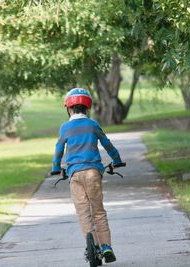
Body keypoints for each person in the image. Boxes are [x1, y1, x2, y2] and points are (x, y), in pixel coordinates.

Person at [51, 88, 124, 263]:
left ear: (69, 109)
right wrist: (117, 160)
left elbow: (59, 149)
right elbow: (107, 144)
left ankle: (92, 246)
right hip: (93, 173)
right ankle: (106, 246)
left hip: (75, 175)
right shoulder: (92, 124)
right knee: (98, 210)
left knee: (83, 213)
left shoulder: (65, 128)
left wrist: (55, 167)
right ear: (87, 108)